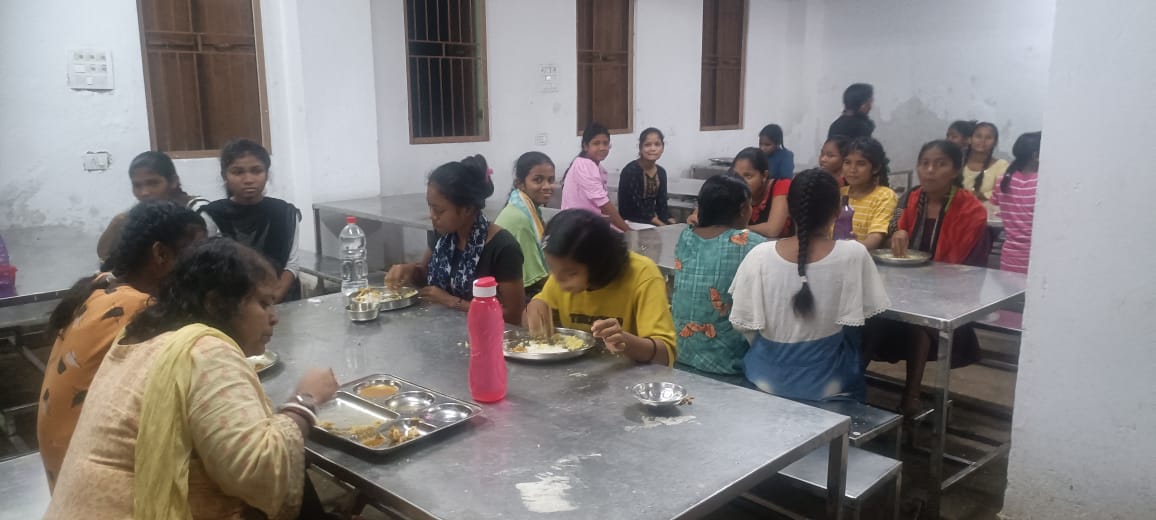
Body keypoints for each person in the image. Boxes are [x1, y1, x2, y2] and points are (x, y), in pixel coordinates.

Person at [45, 238, 341, 519]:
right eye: (264, 304)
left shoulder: (140, 336)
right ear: (215, 303)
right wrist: (305, 400)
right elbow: (258, 469)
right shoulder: (204, 351)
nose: (274, 317)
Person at [38, 201, 207, 490]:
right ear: (160, 254)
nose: (202, 265)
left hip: (63, 468)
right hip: (92, 480)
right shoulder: (140, 310)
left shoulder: (100, 285)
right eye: (196, 254)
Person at [729, 169, 890, 402]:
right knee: (858, 327)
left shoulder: (759, 254)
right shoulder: (854, 254)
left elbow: (743, 324)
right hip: (830, 384)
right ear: (837, 210)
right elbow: (870, 314)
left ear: (789, 209)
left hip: (764, 378)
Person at [870, 140, 990, 418]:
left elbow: (961, 266)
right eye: (924, 163)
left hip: (952, 294)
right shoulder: (911, 199)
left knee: (920, 324)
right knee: (869, 314)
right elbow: (895, 229)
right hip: (906, 286)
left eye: (940, 164)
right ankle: (853, 384)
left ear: (955, 170)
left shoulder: (972, 210)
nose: (930, 170)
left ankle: (911, 394)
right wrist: (897, 233)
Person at [524, 209, 676, 366]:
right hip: (579, 371)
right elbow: (531, 318)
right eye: (552, 269)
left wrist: (626, 342)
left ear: (598, 264)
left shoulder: (643, 276)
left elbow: (665, 354)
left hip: (630, 374)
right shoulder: (561, 274)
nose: (558, 281)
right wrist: (533, 309)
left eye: (571, 273)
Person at [386, 155, 525, 324]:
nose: (432, 216)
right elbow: (427, 275)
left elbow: (513, 315)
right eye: (430, 207)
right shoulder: (442, 236)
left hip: (485, 332)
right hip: (442, 326)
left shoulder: (502, 247)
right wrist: (410, 270)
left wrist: (452, 302)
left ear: (467, 209)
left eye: (439, 210)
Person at [671, 175, 764, 386]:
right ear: (743, 209)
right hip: (728, 363)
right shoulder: (752, 243)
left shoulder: (686, 237)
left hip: (681, 352)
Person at [200, 139, 302, 303]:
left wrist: (270, 300)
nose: (248, 179)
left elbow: (292, 265)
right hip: (232, 302)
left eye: (256, 171)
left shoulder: (285, 213)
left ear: (266, 174)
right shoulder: (212, 215)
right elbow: (205, 267)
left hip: (280, 300)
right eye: (238, 172)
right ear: (225, 176)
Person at [97, 151, 210, 262]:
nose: (144, 192)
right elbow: (104, 255)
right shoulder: (140, 214)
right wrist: (118, 222)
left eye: (153, 183)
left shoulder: (199, 210)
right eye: (137, 185)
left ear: (173, 181)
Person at [494, 151, 556, 299]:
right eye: (538, 180)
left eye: (550, 180)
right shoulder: (520, 219)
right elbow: (537, 279)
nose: (547, 186)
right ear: (520, 184)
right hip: (517, 296)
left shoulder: (526, 207)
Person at [561, 122, 631, 231]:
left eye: (605, 143)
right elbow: (603, 204)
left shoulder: (596, 167)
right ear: (585, 146)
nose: (602, 148)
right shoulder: (584, 165)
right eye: (596, 143)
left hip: (587, 222)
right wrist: (628, 231)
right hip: (579, 227)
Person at [991, 131, 1042, 274]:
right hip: (1034, 260)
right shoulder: (1041, 184)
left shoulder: (1002, 181)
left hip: (1008, 259)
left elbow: (995, 203)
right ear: (1036, 156)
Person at [840, 137, 898, 250]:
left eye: (861, 164)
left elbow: (875, 238)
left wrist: (853, 248)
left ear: (875, 168)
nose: (852, 169)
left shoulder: (884, 196)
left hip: (864, 256)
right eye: (847, 162)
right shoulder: (839, 194)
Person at [617, 127, 676, 226]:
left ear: (663, 148)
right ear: (640, 148)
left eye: (657, 144)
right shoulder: (631, 170)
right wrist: (662, 225)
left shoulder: (661, 172)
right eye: (647, 145)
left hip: (652, 219)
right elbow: (636, 205)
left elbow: (662, 203)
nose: (653, 149)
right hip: (631, 220)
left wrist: (670, 219)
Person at [734, 147, 792, 239]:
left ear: (764, 176)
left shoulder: (781, 186)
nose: (740, 181)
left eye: (748, 176)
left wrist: (740, 228)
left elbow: (773, 230)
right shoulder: (734, 190)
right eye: (736, 176)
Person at [961, 122, 1009, 202]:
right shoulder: (958, 162)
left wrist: (980, 195)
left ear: (995, 143)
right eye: (978, 136)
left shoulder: (1001, 165)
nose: (982, 140)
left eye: (988, 137)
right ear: (969, 139)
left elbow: (1001, 192)